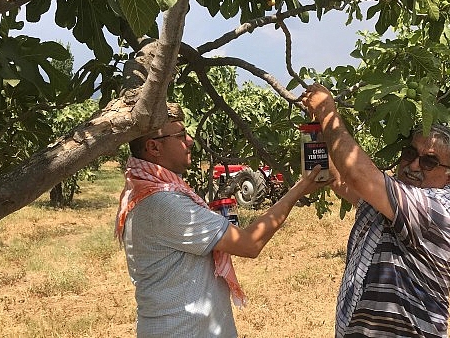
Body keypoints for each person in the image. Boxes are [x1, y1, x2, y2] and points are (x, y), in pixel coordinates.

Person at [115, 103, 330, 338]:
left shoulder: (142, 188)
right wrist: (299, 189)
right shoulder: (163, 203)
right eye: (180, 135)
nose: (188, 140)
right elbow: (249, 244)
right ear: (153, 147)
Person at [301, 84, 450, 338]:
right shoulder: (393, 203)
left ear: (449, 176)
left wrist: (328, 112)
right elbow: (341, 181)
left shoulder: (431, 210)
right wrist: (318, 133)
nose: (414, 165)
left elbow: (357, 176)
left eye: (429, 161)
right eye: (410, 153)